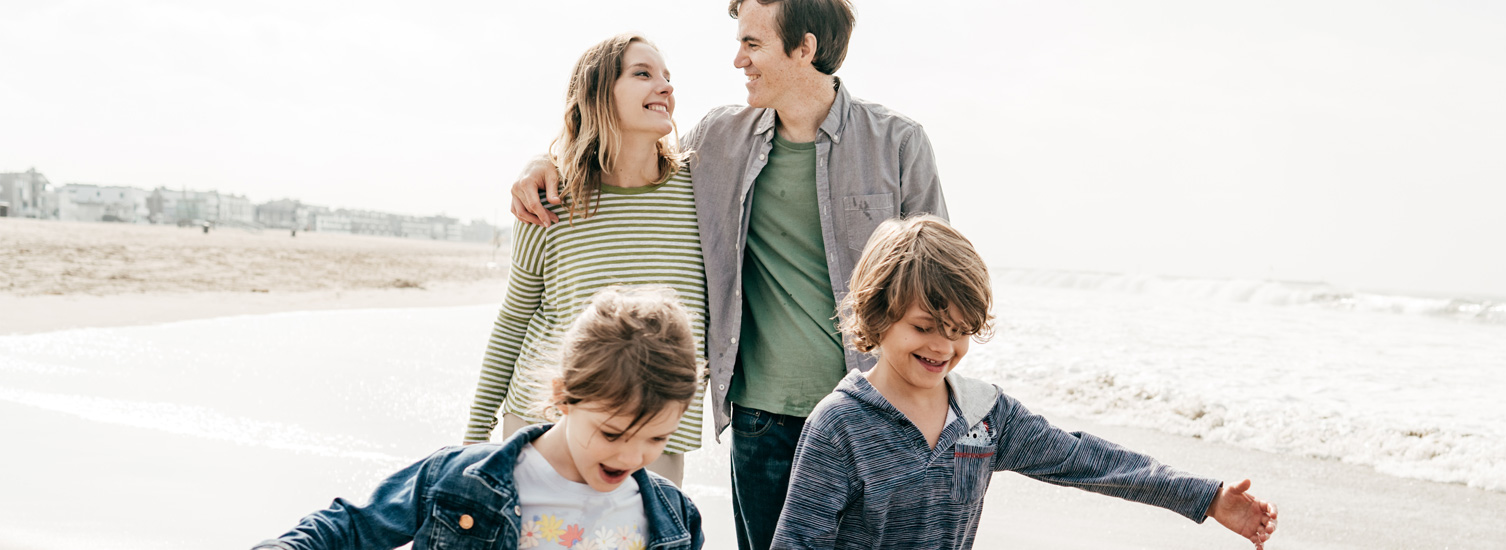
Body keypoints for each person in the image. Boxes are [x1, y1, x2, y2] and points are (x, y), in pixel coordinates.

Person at [507, 1, 947, 547]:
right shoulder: (717, 139)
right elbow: (630, 155)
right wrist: (540, 163)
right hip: (762, 421)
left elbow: (938, 288)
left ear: (804, 49)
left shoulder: (899, 143)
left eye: (753, 44)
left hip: (875, 414)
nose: (737, 59)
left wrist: (935, 409)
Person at [770, 216, 1280, 549]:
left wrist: (1206, 497)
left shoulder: (984, 416)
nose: (942, 348)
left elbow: (1089, 461)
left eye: (959, 332)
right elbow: (797, 542)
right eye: (924, 328)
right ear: (878, 315)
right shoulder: (840, 425)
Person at [257, 286, 705, 550]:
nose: (633, 455)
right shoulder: (460, 478)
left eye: (656, 439)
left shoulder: (674, 516)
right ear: (563, 397)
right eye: (612, 433)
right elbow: (351, 527)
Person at [467, 33, 710, 487]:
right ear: (597, 93)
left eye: (667, 78)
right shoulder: (550, 199)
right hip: (544, 426)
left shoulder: (702, 192)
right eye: (643, 74)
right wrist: (474, 440)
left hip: (654, 437)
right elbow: (515, 319)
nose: (665, 87)